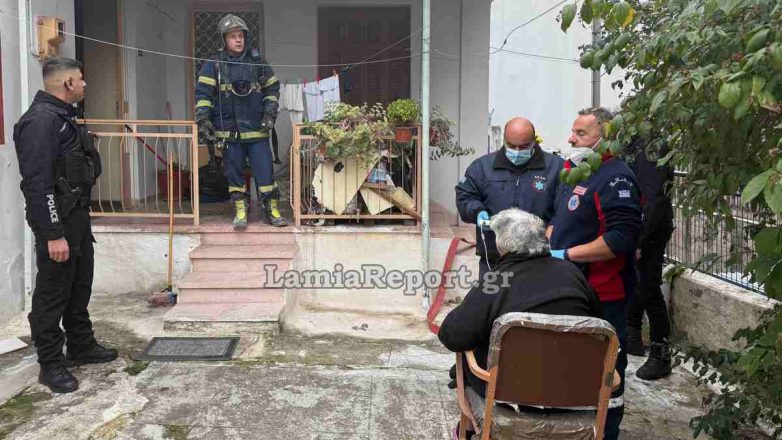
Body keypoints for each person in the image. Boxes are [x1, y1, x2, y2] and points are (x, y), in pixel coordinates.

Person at [439, 208, 601, 438]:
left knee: (463, 363)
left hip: (506, 401)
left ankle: (465, 432)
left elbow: (452, 335)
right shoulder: (574, 275)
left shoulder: (495, 280)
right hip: (573, 399)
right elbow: (597, 327)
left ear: (504, 244)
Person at [13, 57, 118, 393]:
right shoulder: (41, 122)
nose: (86, 84)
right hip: (58, 220)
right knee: (53, 292)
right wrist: (53, 233)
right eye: (81, 79)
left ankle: (81, 345)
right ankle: (51, 363)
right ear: (67, 84)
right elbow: (37, 184)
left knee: (78, 285)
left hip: (77, 217)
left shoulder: (62, 118)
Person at [548, 107, 642, 440]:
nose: (571, 139)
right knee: (567, 369)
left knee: (606, 375)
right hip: (567, 290)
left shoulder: (616, 177)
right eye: (573, 132)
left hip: (603, 296)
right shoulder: (575, 171)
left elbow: (622, 238)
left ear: (606, 138)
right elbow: (561, 220)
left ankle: (606, 433)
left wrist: (568, 254)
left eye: (581, 134)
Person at [195, 14, 286, 229]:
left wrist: (269, 113)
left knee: (265, 173)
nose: (238, 40)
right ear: (224, 40)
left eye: (241, 36)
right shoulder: (213, 65)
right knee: (234, 173)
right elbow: (203, 94)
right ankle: (241, 211)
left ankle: (271, 211)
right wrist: (203, 119)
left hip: (257, 131)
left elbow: (272, 88)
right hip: (229, 132)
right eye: (233, 36)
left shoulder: (257, 62)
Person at [455, 117, 564, 280]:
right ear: (504, 140)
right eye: (512, 146)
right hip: (494, 258)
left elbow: (565, 209)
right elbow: (465, 195)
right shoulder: (483, 167)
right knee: (491, 302)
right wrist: (477, 211)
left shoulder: (556, 168)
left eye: (524, 146)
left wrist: (552, 230)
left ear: (534, 141)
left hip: (539, 260)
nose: (517, 151)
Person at [625, 136, 675, 380]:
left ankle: (661, 354)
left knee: (648, 287)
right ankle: (632, 336)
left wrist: (639, 240)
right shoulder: (632, 147)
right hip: (641, 230)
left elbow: (653, 198)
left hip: (650, 232)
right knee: (635, 284)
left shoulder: (651, 148)